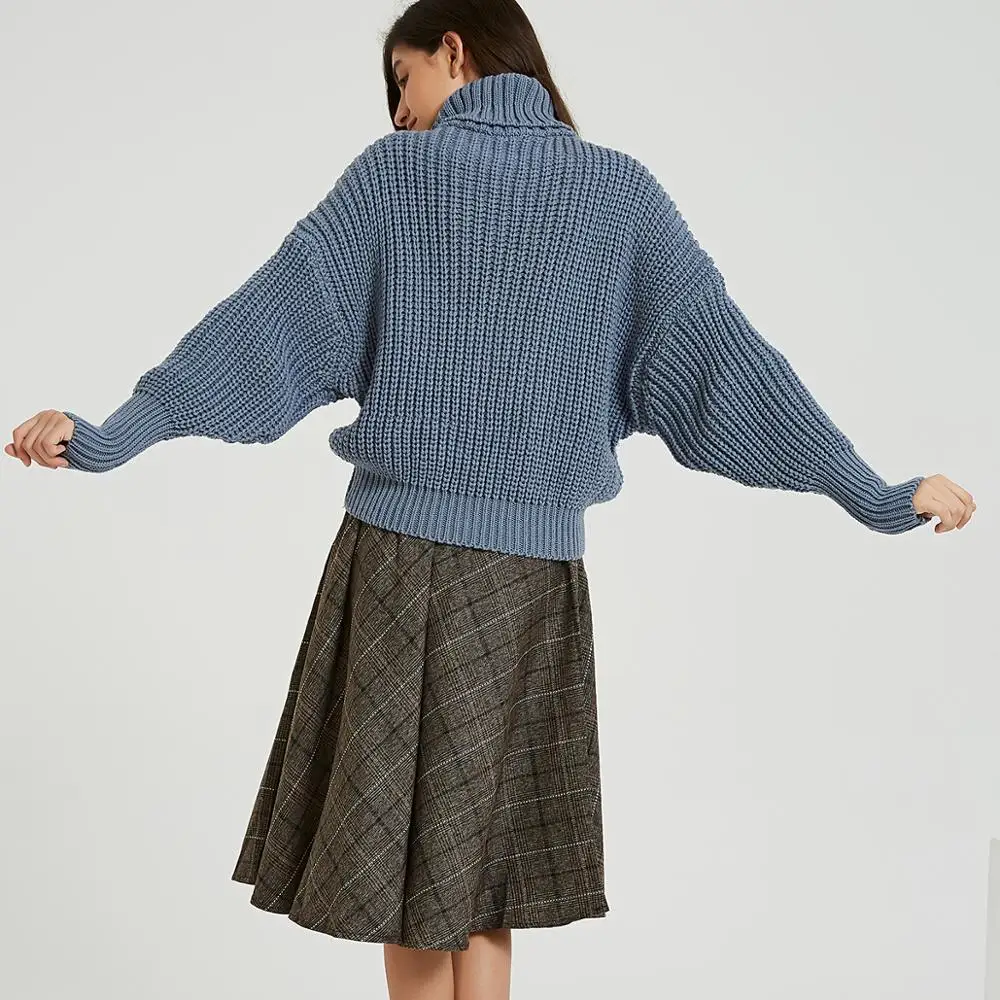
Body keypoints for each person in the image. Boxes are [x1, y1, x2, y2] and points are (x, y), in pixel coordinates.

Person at [5, 0, 976, 998]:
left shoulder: (397, 179)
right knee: (479, 880)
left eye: (402, 79)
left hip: (395, 568)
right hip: (533, 586)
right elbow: (726, 369)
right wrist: (870, 489)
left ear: (454, 50)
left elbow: (264, 330)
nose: (398, 112)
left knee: (405, 879)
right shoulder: (620, 195)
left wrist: (121, 430)